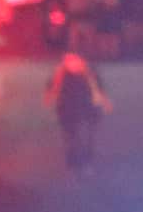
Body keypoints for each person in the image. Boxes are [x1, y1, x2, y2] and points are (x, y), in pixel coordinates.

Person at [44, 47, 112, 175]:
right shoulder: (60, 73)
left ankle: (86, 161)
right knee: (71, 137)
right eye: (68, 61)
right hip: (68, 109)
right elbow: (52, 87)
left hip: (88, 108)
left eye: (74, 60)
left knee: (87, 137)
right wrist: (49, 96)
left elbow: (98, 88)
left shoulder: (90, 73)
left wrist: (105, 102)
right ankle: (73, 160)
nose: (71, 64)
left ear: (81, 61)